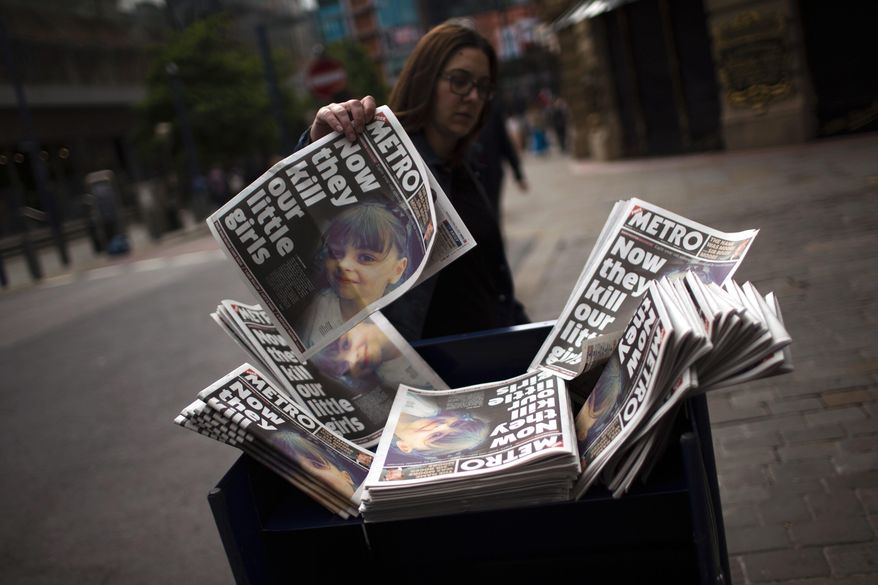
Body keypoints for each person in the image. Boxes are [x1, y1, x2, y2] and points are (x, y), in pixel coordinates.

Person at [297, 22, 529, 341]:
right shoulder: (382, 158)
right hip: (425, 376)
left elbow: (492, 285)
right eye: (459, 81)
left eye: (483, 86)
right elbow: (311, 221)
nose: (473, 97)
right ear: (426, 79)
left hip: (493, 360)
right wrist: (317, 145)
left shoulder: (466, 166)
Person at [298, 202, 413, 348]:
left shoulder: (397, 321)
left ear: (397, 270)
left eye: (366, 258)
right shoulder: (319, 306)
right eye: (336, 253)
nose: (343, 264)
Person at [475, 101, 528, 221]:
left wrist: (518, 175)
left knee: (492, 215)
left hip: (492, 172)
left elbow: (504, 142)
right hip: (469, 172)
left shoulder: (492, 107)